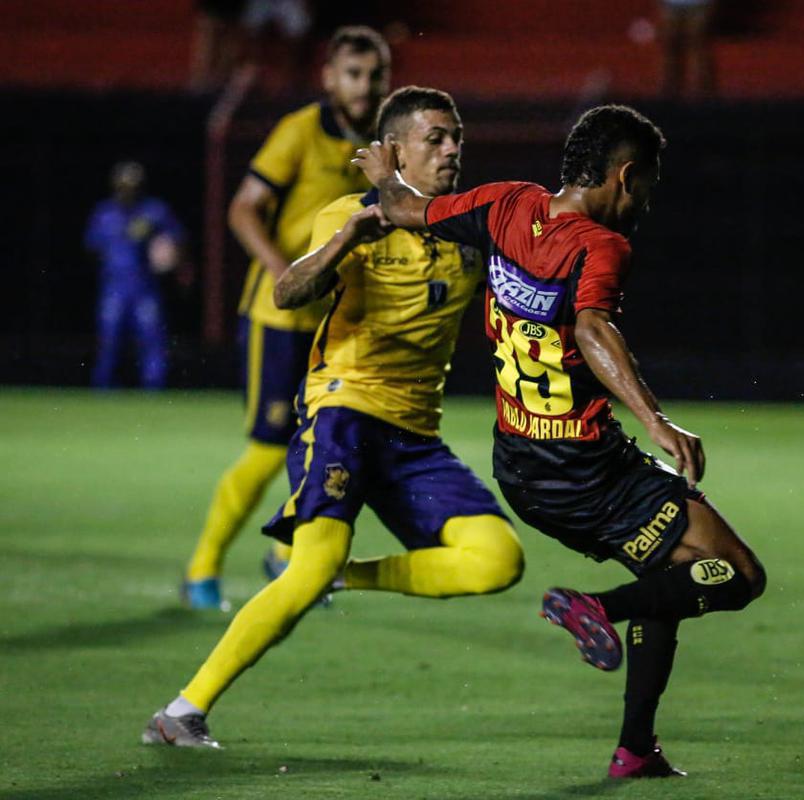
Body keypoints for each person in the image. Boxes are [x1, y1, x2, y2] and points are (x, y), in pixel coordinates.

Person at [354, 104, 767, 777]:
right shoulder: (602, 245)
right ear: (623, 176)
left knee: (667, 576)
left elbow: (403, 210)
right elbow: (592, 329)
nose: (645, 203)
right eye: (646, 187)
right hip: (587, 468)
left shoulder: (504, 204)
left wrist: (383, 175)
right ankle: (592, 608)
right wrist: (657, 421)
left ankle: (636, 749)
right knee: (742, 576)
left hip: (519, 464)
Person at [142, 86, 524, 749]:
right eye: (435, 137)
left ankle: (347, 575)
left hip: (413, 437)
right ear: (394, 149)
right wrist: (348, 237)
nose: (453, 148)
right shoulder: (348, 214)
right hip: (342, 413)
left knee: (498, 560)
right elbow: (289, 291)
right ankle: (181, 712)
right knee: (308, 568)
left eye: (456, 136)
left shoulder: (470, 226)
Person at [182, 26, 390, 610]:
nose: (365, 85)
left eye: (375, 74)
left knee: (330, 444)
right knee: (270, 447)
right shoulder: (300, 131)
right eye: (353, 73)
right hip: (282, 320)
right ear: (328, 77)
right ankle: (202, 568)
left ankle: (288, 558)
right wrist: (282, 270)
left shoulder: (384, 144)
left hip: (341, 325)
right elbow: (243, 207)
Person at [84, 161, 185, 390]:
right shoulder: (104, 213)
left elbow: (175, 242)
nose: (127, 189)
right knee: (109, 339)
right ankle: (104, 387)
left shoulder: (154, 211)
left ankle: (154, 387)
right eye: (123, 184)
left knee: (152, 338)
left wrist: (167, 254)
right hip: (114, 286)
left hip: (145, 286)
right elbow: (91, 247)